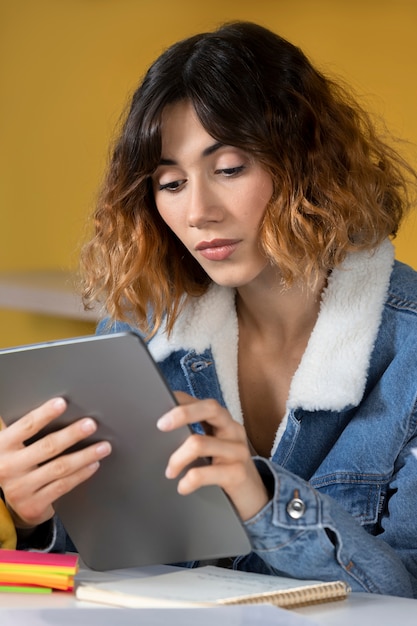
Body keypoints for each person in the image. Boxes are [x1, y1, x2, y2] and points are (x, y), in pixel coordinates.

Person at [1, 21, 417, 598]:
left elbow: (403, 596)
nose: (198, 211)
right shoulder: (137, 335)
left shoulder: (410, 353)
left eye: (228, 169)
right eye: (170, 182)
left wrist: (262, 497)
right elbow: (102, 580)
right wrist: (35, 517)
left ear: (308, 164)